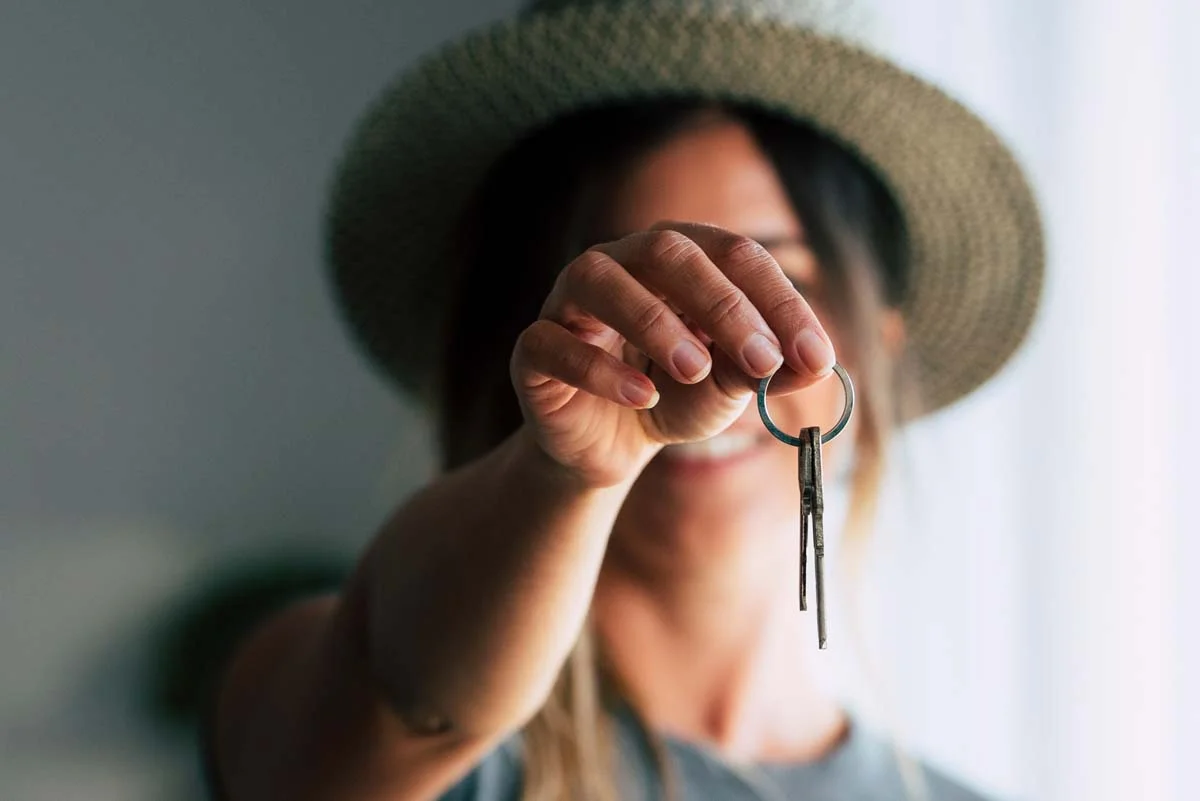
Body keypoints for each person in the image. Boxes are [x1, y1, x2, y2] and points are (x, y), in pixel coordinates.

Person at [208, 0, 1044, 799]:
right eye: (626, 288)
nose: (700, 366)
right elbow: (408, 705)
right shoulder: (407, 730)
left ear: (874, 343)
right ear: (526, 333)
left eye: (778, 280)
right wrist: (567, 475)